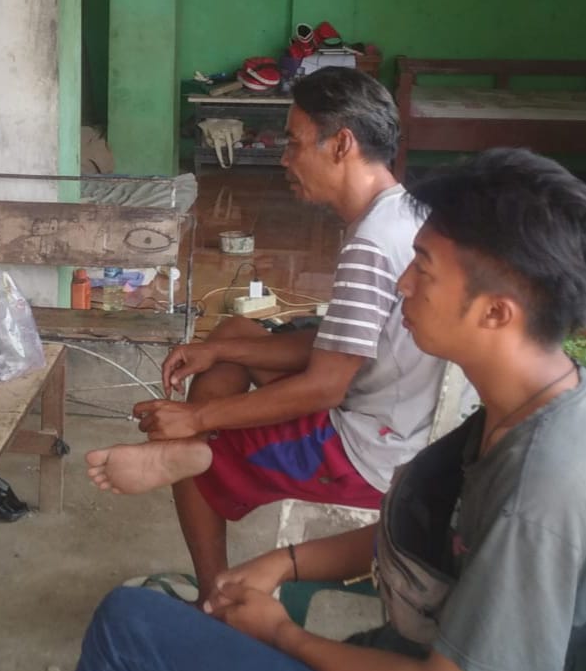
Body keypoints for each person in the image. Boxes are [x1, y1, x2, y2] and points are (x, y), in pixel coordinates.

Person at [78, 147, 586, 671]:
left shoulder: (539, 493)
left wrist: (283, 635)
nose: (404, 284)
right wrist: (286, 562)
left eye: (424, 269)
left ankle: (206, 459)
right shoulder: (521, 406)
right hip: (392, 640)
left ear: (496, 313)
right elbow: (424, 530)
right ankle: (205, 463)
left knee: (125, 621)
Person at [85, 66, 446, 602]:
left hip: (367, 450)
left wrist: (197, 419)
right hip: (394, 411)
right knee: (234, 331)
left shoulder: (372, 244)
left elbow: (325, 386)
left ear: (341, 145)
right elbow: (338, 343)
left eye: (294, 143)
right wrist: (218, 348)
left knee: (191, 453)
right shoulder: (401, 213)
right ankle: (204, 449)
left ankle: (215, 601)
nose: (284, 158)